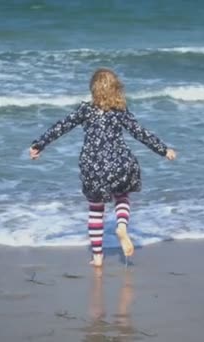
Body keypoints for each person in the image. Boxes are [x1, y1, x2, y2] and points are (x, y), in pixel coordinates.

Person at [29, 68, 176, 267]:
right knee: (122, 196)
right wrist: (163, 149)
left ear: (93, 90)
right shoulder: (120, 111)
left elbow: (61, 126)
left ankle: (97, 256)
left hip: (93, 166)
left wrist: (39, 144)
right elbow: (140, 132)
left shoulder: (85, 110)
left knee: (96, 210)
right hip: (120, 162)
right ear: (116, 90)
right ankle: (122, 226)